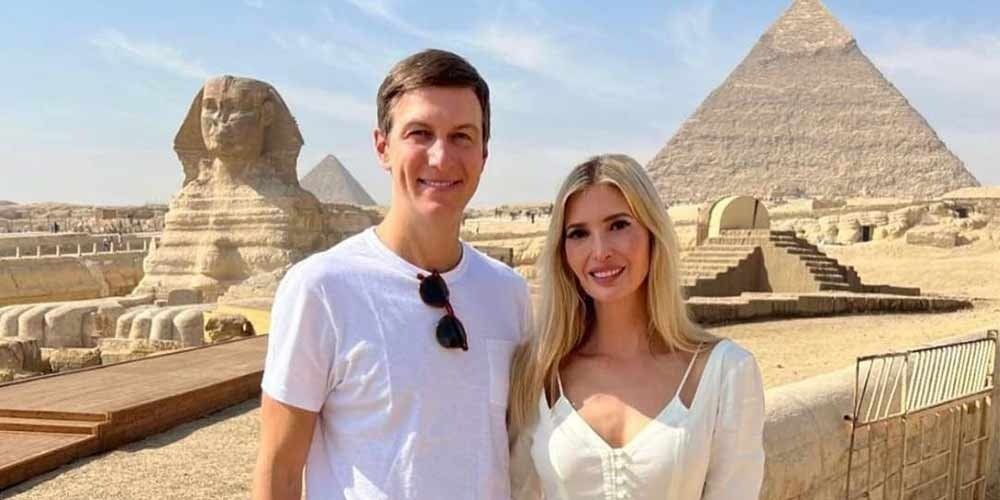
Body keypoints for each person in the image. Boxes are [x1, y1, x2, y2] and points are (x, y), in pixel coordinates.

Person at [253, 49, 532, 500]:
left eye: (462, 136)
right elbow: (279, 472)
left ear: (484, 153)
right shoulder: (322, 288)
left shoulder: (509, 294)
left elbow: (514, 450)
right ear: (383, 147)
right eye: (420, 133)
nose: (441, 157)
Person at [508, 154, 765, 499]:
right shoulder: (539, 371)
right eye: (579, 233)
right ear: (563, 252)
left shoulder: (726, 372)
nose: (600, 251)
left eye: (618, 225)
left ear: (651, 232)